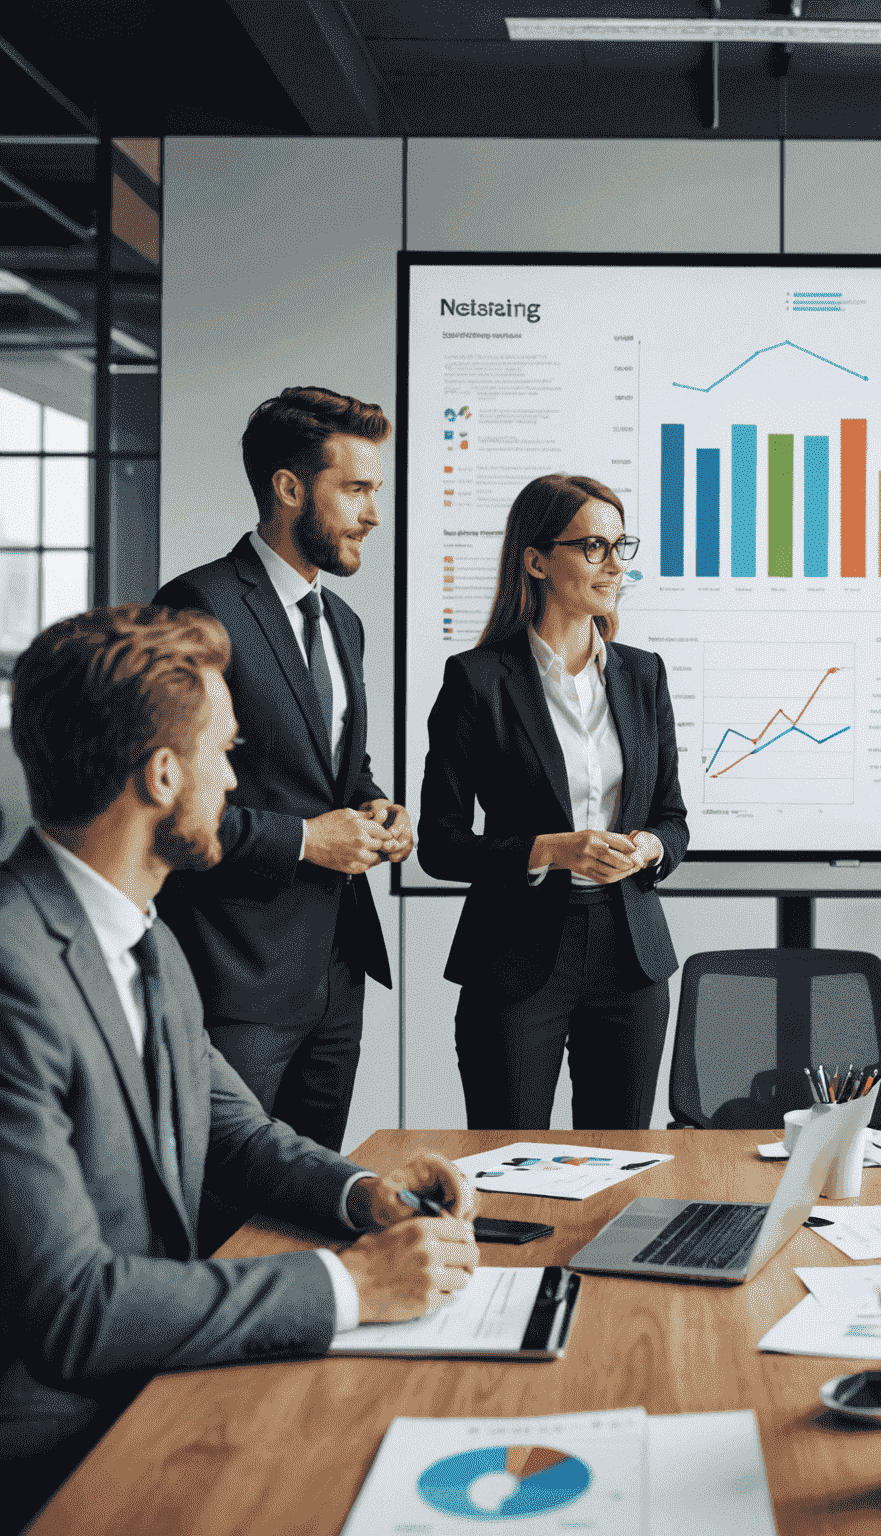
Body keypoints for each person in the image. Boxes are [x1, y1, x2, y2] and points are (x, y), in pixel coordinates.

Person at [0, 605, 478, 1535]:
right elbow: (72, 1309)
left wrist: (363, 1196)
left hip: (162, 1384)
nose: (235, 777)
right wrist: (355, 1288)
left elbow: (236, 1130)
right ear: (162, 774)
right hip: (58, 1450)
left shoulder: (146, 937)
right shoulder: (14, 973)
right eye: (224, 752)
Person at [153, 387, 410, 1163]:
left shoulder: (344, 622)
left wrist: (376, 808)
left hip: (336, 969)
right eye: (356, 489)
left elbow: (334, 770)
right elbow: (167, 804)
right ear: (288, 487)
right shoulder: (198, 606)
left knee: (308, 1190)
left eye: (377, 491)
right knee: (226, 1201)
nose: (372, 512)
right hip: (239, 973)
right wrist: (304, 841)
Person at [419, 473, 689, 1130]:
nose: (614, 564)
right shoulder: (476, 681)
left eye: (621, 547)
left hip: (631, 959)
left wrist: (650, 847)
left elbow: (672, 820)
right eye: (593, 547)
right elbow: (439, 843)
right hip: (516, 959)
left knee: (621, 1169)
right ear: (538, 560)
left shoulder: (643, 675)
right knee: (509, 1170)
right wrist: (550, 850)